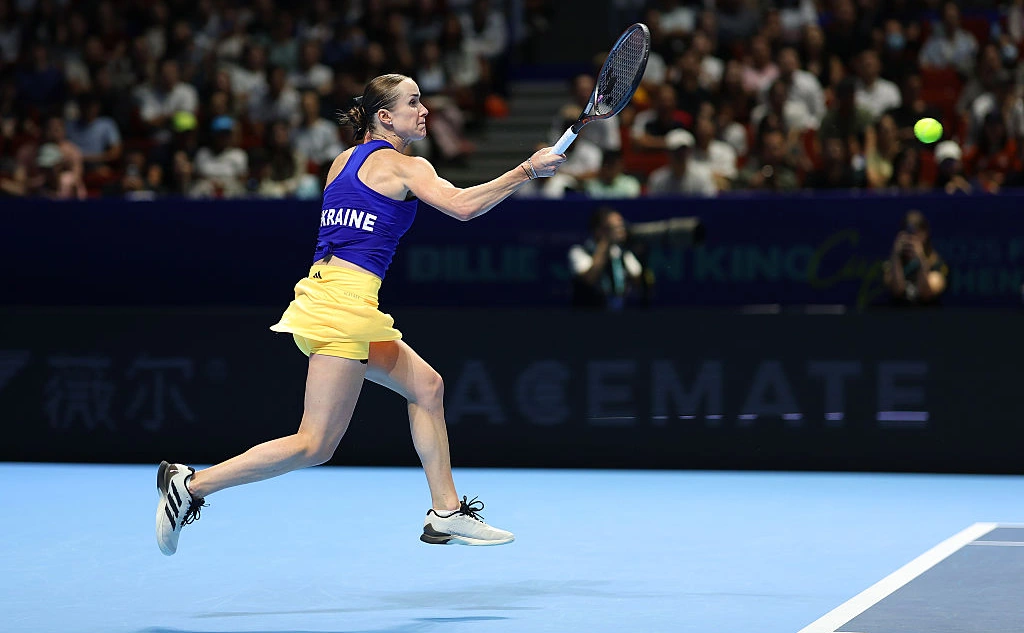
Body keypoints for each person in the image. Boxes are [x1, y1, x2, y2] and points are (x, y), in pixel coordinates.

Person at [155, 73, 566, 555]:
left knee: (427, 386)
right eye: (413, 102)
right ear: (385, 117)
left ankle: (446, 512)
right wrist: (525, 171)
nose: (424, 110)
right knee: (314, 444)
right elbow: (461, 207)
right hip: (342, 307)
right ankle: (190, 486)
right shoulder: (406, 167)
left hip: (328, 295)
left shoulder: (341, 162)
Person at [568, 207, 646, 310]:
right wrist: (606, 241)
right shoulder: (579, 252)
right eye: (613, 228)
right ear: (598, 230)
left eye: (621, 227)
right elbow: (589, 279)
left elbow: (639, 282)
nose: (619, 231)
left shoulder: (623, 253)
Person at [882, 210, 948, 307]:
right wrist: (896, 255)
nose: (911, 239)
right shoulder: (892, 264)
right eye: (907, 234)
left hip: (929, 318)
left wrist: (920, 257)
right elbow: (897, 291)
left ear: (925, 234)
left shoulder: (936, 263)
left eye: (916, 233)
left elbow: (926, 293)